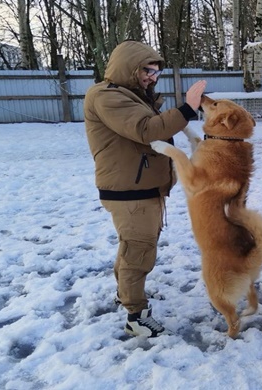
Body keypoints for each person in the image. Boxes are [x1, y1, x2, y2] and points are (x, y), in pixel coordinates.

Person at [84, 40, 207, 337]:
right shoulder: (107, 96)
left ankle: (125, 293)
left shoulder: (130, 95)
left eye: (156, 72)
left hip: (141, 187)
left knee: (132, 246)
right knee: (138, 250)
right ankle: (136, 315)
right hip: (130, 191)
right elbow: (147, 130)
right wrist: (188, 108)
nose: (153, 77)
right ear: (129, 67)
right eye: (148, 70)